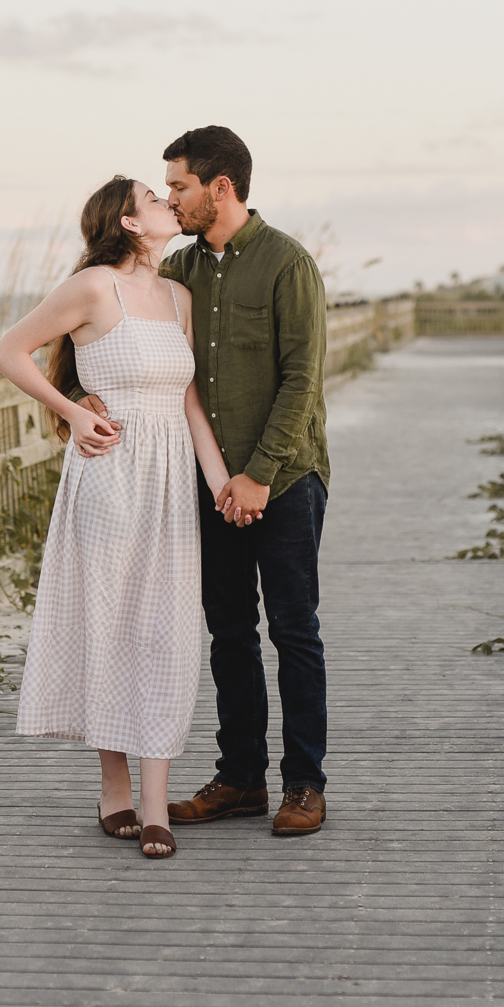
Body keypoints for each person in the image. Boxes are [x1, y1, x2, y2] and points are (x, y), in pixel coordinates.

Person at [0, 176, 233, 859]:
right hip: (108, 478)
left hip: (169, 486)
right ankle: (115, 789)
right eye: (155, 198)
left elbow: (188, 402)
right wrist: (71, 410)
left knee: (165, 632)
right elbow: (9, 350)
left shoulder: (179, 296)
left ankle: (156, 802)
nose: (168, 203)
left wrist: (218, 484)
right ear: (129, 221)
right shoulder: (95, 286)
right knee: (111, 624)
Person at [144, 125, 336, 836]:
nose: (171, 199)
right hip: (209, 480)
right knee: (228, 631)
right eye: (166, 188)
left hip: (284, 480)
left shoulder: (288, 264)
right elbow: (143, 350)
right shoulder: (179, 274)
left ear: (221, 186)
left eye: (179, 185)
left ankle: (304, 784)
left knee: (294, 630)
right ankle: (240, 779)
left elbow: (302, 380)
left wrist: (257, 476)